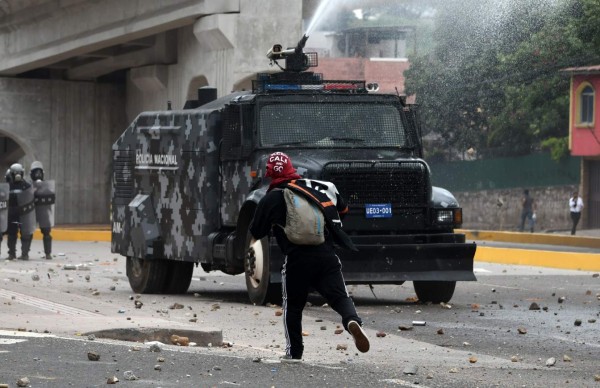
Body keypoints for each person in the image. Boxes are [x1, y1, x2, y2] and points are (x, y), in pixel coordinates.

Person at [249, 151, 369, 362]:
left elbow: (256, 231)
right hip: (326, 255)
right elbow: (343, 210)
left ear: (270, 173)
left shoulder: (274, 196)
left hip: (297, 258)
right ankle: (352, 321)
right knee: (340, 297)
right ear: (291, 169)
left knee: (293, 306)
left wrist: (274, 222)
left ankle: (295, 352)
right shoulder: (319, 186)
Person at [6, 163, 34, 260]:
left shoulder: (27, 186)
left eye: (19, 173)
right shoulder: (8, 186)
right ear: (12, 174)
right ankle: (12, 254)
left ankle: (25, 254)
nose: (17, 175)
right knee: (12, 234)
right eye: (15, 173)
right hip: (12, 213)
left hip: (24, 213)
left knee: (26, 234)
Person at [30, 161, 54, 259]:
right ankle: (25, 253)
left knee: (46, 232)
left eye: (39, 172)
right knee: (28, 232)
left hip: (42, 210)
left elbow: (51, 198)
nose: (38, 174)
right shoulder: (29, 186)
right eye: (36, 172)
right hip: (32, 210)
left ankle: (48, 253)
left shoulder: (46, 186)